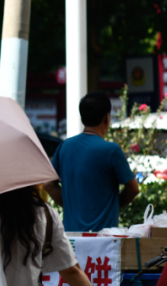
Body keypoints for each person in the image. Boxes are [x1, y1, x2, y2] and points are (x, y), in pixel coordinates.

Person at [45, 92, 138, 232]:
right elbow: (133, 189)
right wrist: (113, 205)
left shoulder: (65, 147)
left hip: (72, 239)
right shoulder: (111, 150)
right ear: (106, 117)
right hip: (104, 240)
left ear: (82, 118)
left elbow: (48, 184)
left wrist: (72, 206)